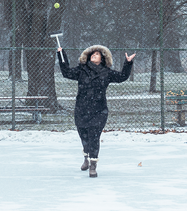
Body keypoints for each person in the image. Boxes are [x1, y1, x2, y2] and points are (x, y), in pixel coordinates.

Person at [57, 42, 135, 178]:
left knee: (94, 136)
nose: (94, 55)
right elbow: (66, 72)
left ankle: (93, 164)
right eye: (92, 54)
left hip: (99, 110)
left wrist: (128, 63)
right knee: (84, 135)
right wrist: (61, 54)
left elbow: (122, 77)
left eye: (97, 54)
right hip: (81, 108)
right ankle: (86, 156)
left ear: (102, 58)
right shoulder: (81, 70)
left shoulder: (107, 73)